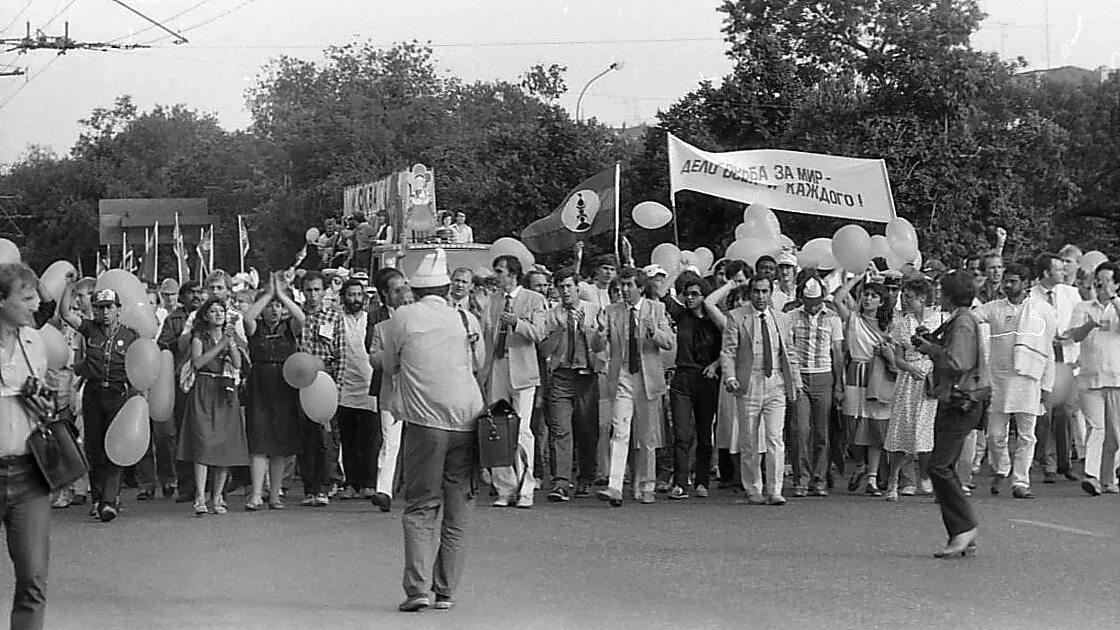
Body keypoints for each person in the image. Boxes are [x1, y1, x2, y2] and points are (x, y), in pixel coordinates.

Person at [381, 247, 485, 613]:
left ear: (417, 290)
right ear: (446, 289)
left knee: (421, 506)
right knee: (459, 509)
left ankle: (416, 589)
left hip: (425, 423)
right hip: (468, 419)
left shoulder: (402, 319)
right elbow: (480, 363)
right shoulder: (466, 319)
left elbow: (390, 364)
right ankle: (446, 591)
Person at [915, 270, 985, 558]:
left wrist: (931, 349)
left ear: (948, 294)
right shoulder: (959, 319)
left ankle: (964, 527)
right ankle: (961, 531)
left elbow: (959, 361)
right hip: (955, 398)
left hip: (961, 400)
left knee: (939, 466)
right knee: (943, 466)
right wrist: (932, 342)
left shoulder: (963, 322)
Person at [973, 262, 1057, 499]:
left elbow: (1048, 348)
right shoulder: (994, 308)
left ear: (1027, 283)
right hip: (999, 379)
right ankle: (1002, 467)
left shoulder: (1042, 310)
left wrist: (1047, 384)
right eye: (1006, 280)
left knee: (1026, 435)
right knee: (995, 435)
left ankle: (1021, 482)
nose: (1008, 285)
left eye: (1013, 281)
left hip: (1029, 379)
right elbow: (970, 317)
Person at [593, 267, 675, 506]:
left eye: (629, 285)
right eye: (622, 286)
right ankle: (615, 486)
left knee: (647, 437)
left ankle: (646, 485)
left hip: (647, 379)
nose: (624, 290)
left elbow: (669, 342)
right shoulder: (611, 311)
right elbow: (597, 346)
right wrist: (599, 335)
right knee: (620, 432)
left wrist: (654, 332)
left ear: (640, 287)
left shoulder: (656, 309)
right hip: (622, 378)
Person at [59, 284, 140, 522]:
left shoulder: (130, 335)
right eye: (99, 308)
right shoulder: (89, 329)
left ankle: (109, 501)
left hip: (117, 394)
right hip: (94, 393)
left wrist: (137, 396)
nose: (104, 313)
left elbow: (140, 365)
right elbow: (65, 314)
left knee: (115, 449)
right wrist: (68, 288)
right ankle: (97, 498)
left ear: (118, 310)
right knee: (94, 449)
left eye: (109, 307)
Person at [0, 263, 51, 629]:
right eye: (27, 297)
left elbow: (46, 404)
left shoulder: (34, 342)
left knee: (33, 578)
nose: (35, 305)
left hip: (29, 472)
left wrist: (44, 404)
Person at [721, 276, 802, 505]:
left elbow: (790, 352)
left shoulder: (782, 319)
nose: (760, 296)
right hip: (749, 382)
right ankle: (753, 487)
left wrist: (795, 381)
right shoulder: (737, 317)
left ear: (770, 292)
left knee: (775, 437)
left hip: (775, 380)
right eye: (756, 291)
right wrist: (731, 377)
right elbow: (728, 352)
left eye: (765, 291)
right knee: (749, 440)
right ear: (750, 293)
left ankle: (775, 489)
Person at [484, 255, 547, 509]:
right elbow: (488, 333)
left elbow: (539, 333)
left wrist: (517, 323)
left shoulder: (534, 299)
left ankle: (526, 487)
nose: (496, 276)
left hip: (522, 369)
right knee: (497, 427)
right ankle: (504, 487)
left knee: (522, 429)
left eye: (500, 272)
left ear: (512, 274)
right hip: (498, 366)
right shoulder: (494, 299)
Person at [536, 267, 602, 501]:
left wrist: (585, 329)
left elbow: (601, 347)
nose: (564, 291)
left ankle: (585, 477)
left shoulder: (594, 311)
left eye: (568, 286)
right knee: (560, 429)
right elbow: (543, 348)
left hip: (586, 375)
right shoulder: (552, 315)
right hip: (561, 375)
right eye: (560, 287)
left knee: (586, 428)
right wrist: (560, 332)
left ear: (577, 288)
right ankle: (561, 482)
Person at [179, 298, 248, 515]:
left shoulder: (230, 335)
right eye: (213, 311)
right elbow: (197, 363)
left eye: (221, 311)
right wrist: (220, 345)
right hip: (204, 388)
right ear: (205, 315)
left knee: (224, 445)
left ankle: (217, 496)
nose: (218, 315)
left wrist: (231, 344)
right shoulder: (200, 337)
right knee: (203, 443)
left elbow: (237, 364)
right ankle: (200, 497)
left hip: (225, 389)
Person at [242, 274, 304, 510]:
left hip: (283, 384)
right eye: (270, 307)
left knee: (280, 444)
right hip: (260, 384)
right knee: (259, 441)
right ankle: (257, 493)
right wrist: (268, 294)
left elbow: (302, 318)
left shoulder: (290, 327)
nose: (274, 310)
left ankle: (276, 494)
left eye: (278, 306)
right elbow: (248, 316)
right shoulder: (255, 328)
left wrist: (282, 296)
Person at [665, 272, 722, 500]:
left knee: (704, 432)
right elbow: (662, 294)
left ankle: (701, 480)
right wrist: (677, 270)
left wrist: (716, 365)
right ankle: (680, 482)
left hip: (706, 379)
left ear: (704, 296)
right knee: (681, 433)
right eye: (686, 294)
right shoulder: (681, 316)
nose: (689, 298)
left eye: (695, 294)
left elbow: (729, 346)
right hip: (682, 378)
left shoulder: (715, 320)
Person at [834, 278, 893, 497]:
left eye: (873, 296)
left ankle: (872, 478)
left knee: (875, 426)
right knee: (853, 423)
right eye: (866, 294)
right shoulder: (853, 319)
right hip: (855, 373)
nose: (868, 299)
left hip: (877, 374)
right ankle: (859, 464)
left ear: (881, 301)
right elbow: (837, 298)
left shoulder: (888, 325)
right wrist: (855, 278)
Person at [883, 276, 939, 500]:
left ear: (922, 299)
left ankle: (925, 477)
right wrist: (909, 368)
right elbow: (897, 357)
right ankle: (894, 479)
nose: (905, 301)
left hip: (929, 379)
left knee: (925, 429)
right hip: (908, 380)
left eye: (910, 297)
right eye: (904, 297)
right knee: (902, 429)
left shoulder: (937, 320)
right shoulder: (901, 323)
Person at [788, 274, 844, 497]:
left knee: (822, 432)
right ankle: (801, 478)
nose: (812, 307)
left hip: (824, 375)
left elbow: (837, 353)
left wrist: (839, 384)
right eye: (809, 302)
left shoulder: (833, 319)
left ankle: (819, 478)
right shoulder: (791, 317)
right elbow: (788, 347)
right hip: (800, 375)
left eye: (816, 302)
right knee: (800, 430)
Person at [1029, 252, 1083, 484]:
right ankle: (1048, 463)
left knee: (1066, 413)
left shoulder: (1071, 294)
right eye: (1059, 269)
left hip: (1067, 358)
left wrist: (1070, 337)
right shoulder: (1031, 296)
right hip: (1044, 360)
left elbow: (1081, 321)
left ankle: (1066, 463)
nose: (1064, 272)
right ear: (1046, 273)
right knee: (1046, 414)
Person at [1070, 261, 1120, 495]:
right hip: (1090, 378)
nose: (1101, 285)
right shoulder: (1082, 307)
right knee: (1096, 427)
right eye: (1098, 280)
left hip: (1116, 378)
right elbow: (1075, 336)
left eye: (1107, 280)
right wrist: (1090, 323)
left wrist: (1114, 300)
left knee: (1116, 434)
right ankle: (1092, 476)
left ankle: (1109, 478)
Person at [367, 267, 414, 512]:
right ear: (388, 295)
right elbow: (373, 357)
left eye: (405, 288)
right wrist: (391, 358)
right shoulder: (381, 326)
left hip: (418, 391)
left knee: (420, 441)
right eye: (397, 290)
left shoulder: (420, 321)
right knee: (390, 441)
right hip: (391, 389)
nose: (403, 293)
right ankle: (383, 490)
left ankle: (420, 488)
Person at [297, 271, 344, 506]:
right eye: (308, 290)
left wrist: (339, 386)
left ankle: (325, 485)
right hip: (302, 381)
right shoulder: (297, 315)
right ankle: (309, 487)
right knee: (305, 437)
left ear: (324, 291)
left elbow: (342, 353)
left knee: (325, 436)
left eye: (317, 290)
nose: (312, 295)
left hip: (325, 381)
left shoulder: (334, 316)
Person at [157, 281, 203, 502]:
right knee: (183, 435)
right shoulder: (173, 319)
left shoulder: (211, 313)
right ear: (182, 297)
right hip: (181, 380)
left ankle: (210, 485)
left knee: (205, 432)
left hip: (205, 381)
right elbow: (162, 346)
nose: (195, 297)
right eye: (190, 293)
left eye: (198, 293)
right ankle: (186, 485)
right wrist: (185, 337)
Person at [335, 278, 380, 500]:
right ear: (343, 297)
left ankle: (369, 483)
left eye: (358, 295)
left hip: (369, 384)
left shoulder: (370, 319)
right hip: (344, 385)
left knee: (370, 438)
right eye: (351, 295)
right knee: (348, 438)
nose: (355, 299)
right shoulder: (336, 319)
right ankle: (351, 483)